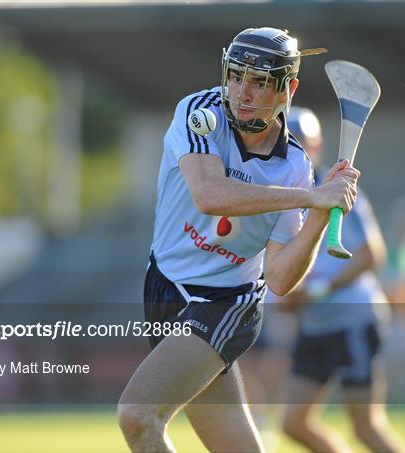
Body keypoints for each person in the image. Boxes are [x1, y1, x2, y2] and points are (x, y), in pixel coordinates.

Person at [117, 28, 360, 452]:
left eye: (261, 82)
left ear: (288, 89)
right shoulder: (200, 113)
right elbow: (209, 195)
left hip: (225, 305)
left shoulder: (294, 167)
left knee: (138, 416)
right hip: (163, 286)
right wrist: (310, 196)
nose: (243, 92)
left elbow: (282, 279)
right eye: (236, 76)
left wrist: (320, 215)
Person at [280, 106, 405, 453]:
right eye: (288, 144)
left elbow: (372, 254)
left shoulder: (338, 191)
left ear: (317, 147)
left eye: (302, 144)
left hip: (354, 320)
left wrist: (319, 289)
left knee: (366, 427)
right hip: (315, 326)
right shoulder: (281, 197)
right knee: (293, 424)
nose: (295, 152)